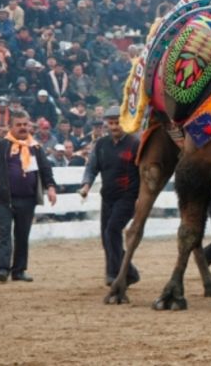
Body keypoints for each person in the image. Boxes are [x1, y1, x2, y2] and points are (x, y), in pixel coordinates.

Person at [0, 110, 58, 282]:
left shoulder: (35, 148)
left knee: (22, 236)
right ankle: (2, 270)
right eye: (18, 125)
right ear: (10, 126)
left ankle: (19, 271)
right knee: (4, 234)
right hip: (4, 199)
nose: (22, 128)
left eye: (25, 124)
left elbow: (45, 169)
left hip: (27, 199)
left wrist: (50, 187)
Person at [79, 106, 141, 287]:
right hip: (108, 196)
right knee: (106, 237)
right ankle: (129, 272)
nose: (114, 127)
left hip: (128, 196)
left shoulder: (135, 144)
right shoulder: (101, 144)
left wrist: (140, 199)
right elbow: (92, 167)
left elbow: (143, 173)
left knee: (112, 231)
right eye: (111, 123)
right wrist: (86, 186)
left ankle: (114, 274)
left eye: (118, 122)